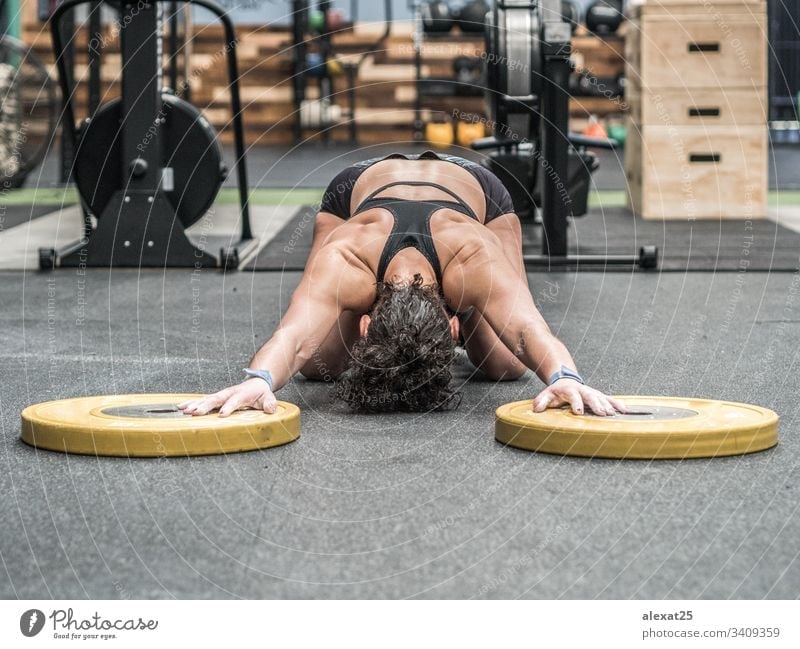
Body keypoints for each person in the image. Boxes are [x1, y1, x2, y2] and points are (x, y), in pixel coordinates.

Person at [179, 151, 626, 417]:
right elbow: (294, 339)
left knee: (505, 365)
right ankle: (466, 305)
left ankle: (474, 306)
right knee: (319, 365)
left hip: (476, 195)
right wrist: (260, 380)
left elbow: (531, 330)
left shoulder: (474, 253)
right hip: (357, 187)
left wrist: (564, 377)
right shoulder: (347, 253)